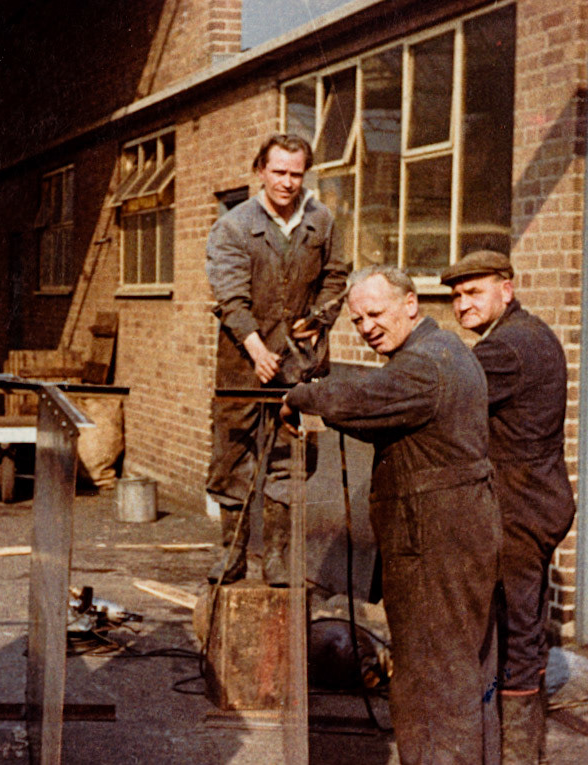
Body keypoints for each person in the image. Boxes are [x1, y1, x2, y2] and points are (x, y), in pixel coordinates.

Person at [281, 265, 500, 762]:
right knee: (457, 674)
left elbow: (363, 397)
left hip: (436, 549)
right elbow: (394, 417)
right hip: (453, 540)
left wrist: (301, 396)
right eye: (357, 320)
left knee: (433, 685)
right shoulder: (441, 354)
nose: (367, 326)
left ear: (410, 305)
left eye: (375, 313)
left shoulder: (425, 366)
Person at [442, 250, 575, 763]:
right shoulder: (525, 334)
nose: (462, 304)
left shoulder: (509, 349)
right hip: (531, 502)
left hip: (521, 509)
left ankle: (519, 755)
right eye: (456, 296)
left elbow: (442, 388)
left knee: (518, 633)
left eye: (474, 292)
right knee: (517, 626)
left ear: (506, 289)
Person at [205, 133, 348, 586]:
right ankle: (232, 556)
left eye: (295, 173)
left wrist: (319, 320)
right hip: (242, 365)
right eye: (278, 172)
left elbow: (335, 278)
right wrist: (254, 348)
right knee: (234, 456)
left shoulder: (321, 221)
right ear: (260, 171)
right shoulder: (233, 226)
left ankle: (279, 560)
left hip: (299, 365)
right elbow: (230, 297)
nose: (287, 182)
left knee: (291, 458)